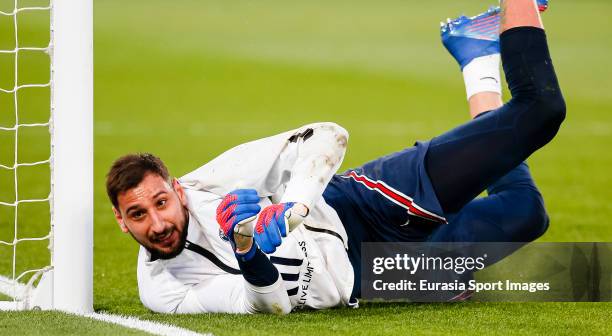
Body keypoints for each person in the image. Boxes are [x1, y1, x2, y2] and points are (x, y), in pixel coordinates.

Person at [106, 0, 565, 314]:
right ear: (121, 221)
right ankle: (477, 60)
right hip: (363, 277)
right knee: (526, 214)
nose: (157, 223)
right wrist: (246, 249)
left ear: (178, 192)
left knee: (541, 111)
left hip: (364, 205)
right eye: (138, 214)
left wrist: (294, 208)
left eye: (160, 202)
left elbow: (327, 136)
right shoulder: (162, 290)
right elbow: (266, 305)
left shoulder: (211, 183)